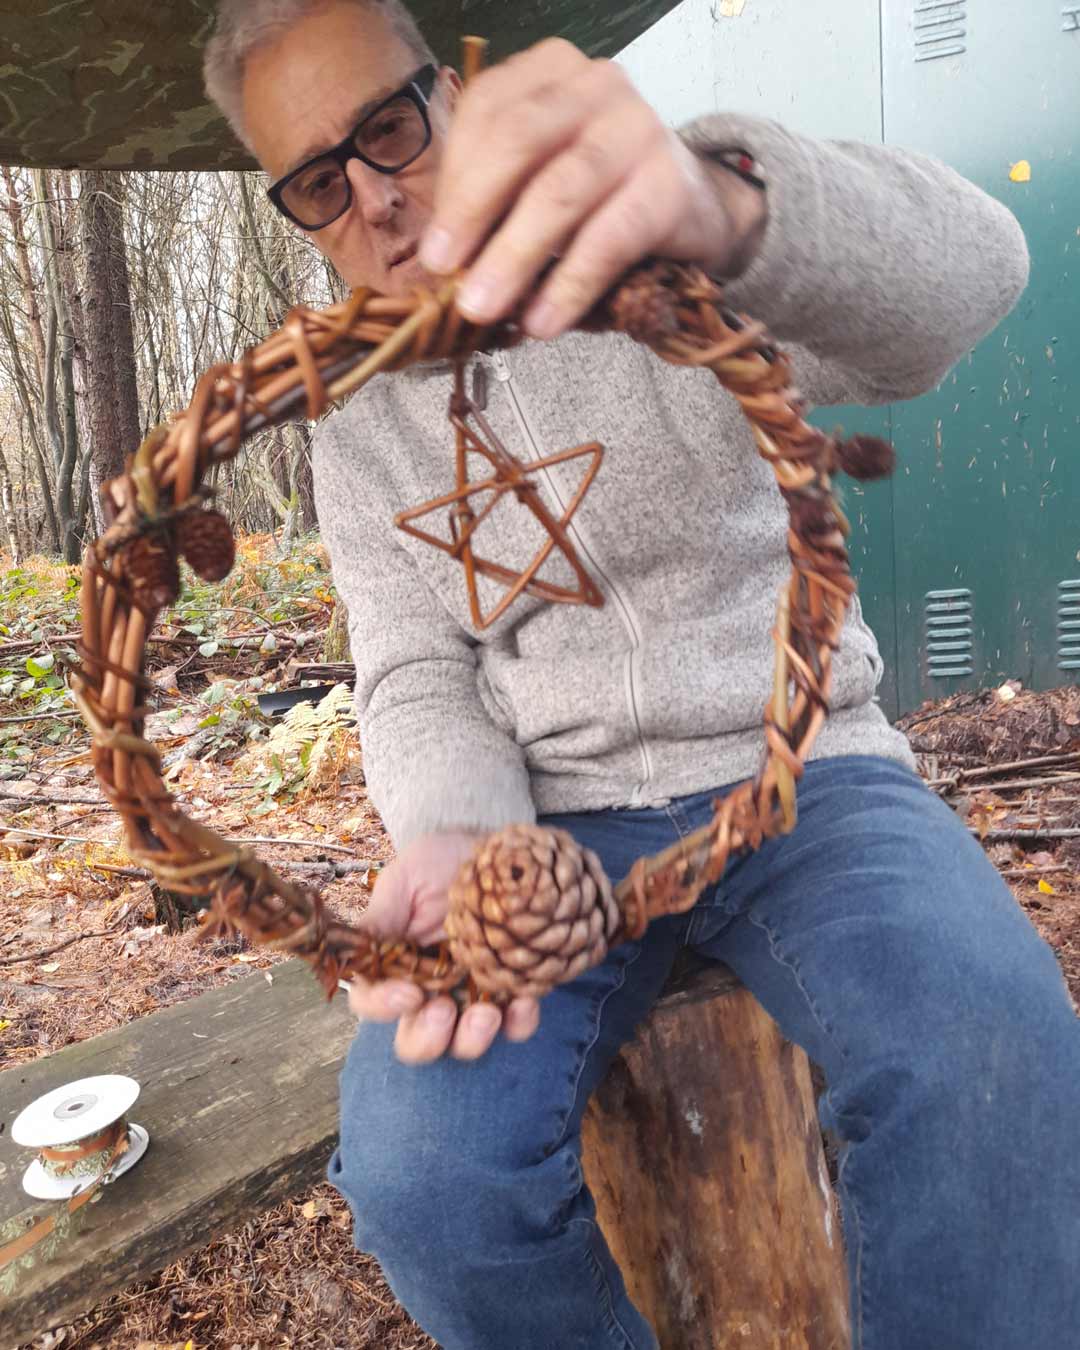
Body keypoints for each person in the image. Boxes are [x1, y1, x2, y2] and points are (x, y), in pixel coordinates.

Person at [203, 3, 1080, 1346]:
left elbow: (981, 274)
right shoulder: (356, 418)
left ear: (449, 93)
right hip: (553, 834)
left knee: (991, 1049)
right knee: (427, 1173)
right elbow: (414, 668)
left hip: (808, 775)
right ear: (302, 216)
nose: (378, 197)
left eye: (388, 127)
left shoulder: (648, 250)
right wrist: (455, 828)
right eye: (322, 181)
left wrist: (722, 201)